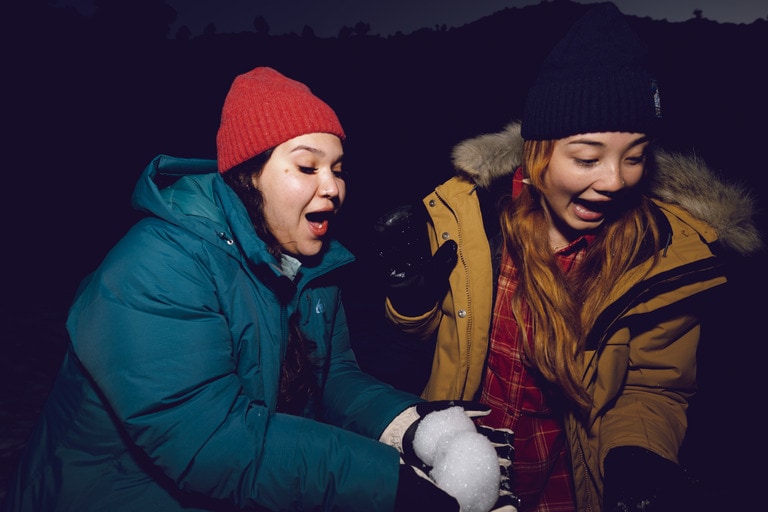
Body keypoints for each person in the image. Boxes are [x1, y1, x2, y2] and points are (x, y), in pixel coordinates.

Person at [4, 67, 515, 512]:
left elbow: (331, 379)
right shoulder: (157, 265)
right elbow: (211, 443)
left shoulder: (309, 266)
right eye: (307, 166)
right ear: (249, 175)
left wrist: (415, 425)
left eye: (338, 169)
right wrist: (393, 487)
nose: (334, 187)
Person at [373, 3, 762, 512]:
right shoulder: (475, 222)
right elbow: (419, 347)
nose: (615, 179)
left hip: (567, 490)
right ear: (538, 152)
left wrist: (638, 459)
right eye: (587, 157)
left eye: (635, 155)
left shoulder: (660, 255)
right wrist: (411, 305)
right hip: (457, 474)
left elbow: (654, 388)